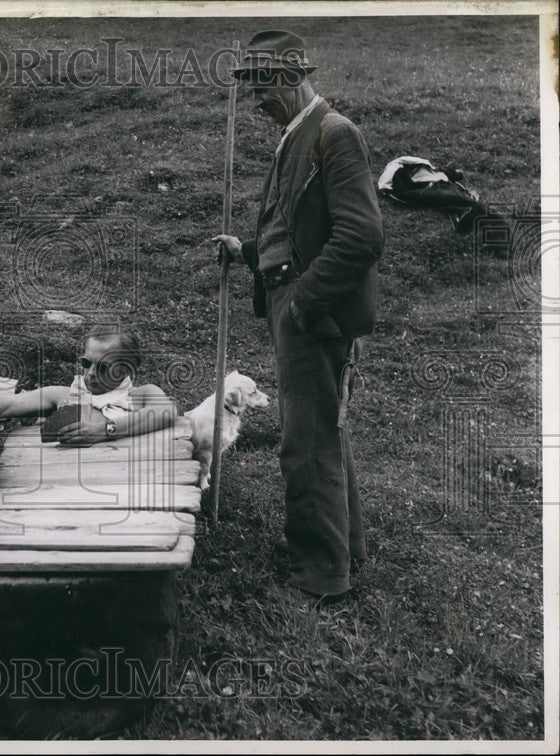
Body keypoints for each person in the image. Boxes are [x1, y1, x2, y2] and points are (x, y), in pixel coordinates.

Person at [211, 30, 383, 604]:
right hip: (293, 298)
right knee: (322, 431)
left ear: (289, 76)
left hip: (313, 311)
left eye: (260, 85)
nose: (255, 99)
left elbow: (361, 235)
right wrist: (250, 254)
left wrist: (306, 301)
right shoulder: (294, 136)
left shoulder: (334, 135)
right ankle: (346, 548)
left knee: (305, 442)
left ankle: (319, 577)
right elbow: (294, 228)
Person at [0, 324, 177, 445]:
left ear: (126, 369)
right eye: (86, 363)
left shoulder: (142, 395)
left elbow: (165, 412)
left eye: (103, 367)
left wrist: (103, 430)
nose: (90, 374)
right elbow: (9, 404)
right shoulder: (66, 395)